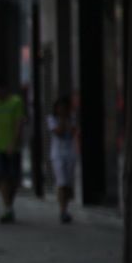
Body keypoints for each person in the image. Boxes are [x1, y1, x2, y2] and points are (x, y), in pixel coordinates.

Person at [0, 82, 26, 223]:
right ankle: (8, 208)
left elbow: (19, 123)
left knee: (14, 178)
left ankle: (9, 204)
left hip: (13, 148)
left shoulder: (16, 102)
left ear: (4, 89)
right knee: (2, 177)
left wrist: (13, 143)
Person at [49, 96, 77, 224]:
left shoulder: (73, 119)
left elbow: (72, 132)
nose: (62, 110)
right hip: (57, 154)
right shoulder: (52, 119)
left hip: (70, 153)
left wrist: (67, 120)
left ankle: (65, 207)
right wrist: (62, 120)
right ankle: (62, 210)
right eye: (59, 108)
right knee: (62, 182)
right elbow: (59, 132)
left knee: (68, 183)